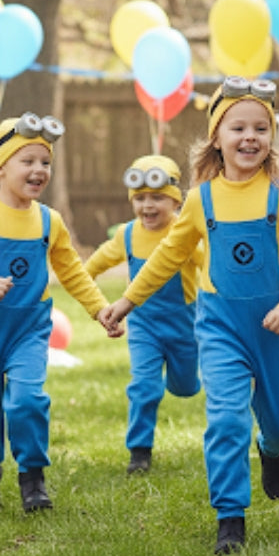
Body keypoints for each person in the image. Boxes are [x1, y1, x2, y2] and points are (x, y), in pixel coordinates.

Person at [104, 76, 279, 555]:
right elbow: (165, 256)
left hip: (275, 326)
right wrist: (126, 301)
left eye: (260, 128)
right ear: (216, 138)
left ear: (271, 137)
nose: (250, 137)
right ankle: (230, 517)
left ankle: (273, 448)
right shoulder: (200, 199)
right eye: (237, 127)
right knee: (225, 418)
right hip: (220, 327)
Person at [0, 113, 122, 512]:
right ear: (1, 167)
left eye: (45, 162)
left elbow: (72, 271)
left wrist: (99, 309)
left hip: (28, 327)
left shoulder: (49, 220)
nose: (39, 170)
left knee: (27, 400)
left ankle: (33, 478)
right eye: (28, 161)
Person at [85, 154, 202, 474]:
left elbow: (211, 264)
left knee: (185, 387)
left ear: (176, 202)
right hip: (143, 327)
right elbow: (97, 262)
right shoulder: (127, 234)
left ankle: (182, 379)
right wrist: (82, 279)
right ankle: (139, 452)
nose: (147, 206)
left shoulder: (185, 233)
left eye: (157, 198)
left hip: (185, 326)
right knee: (144, 387)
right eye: (140, 198)